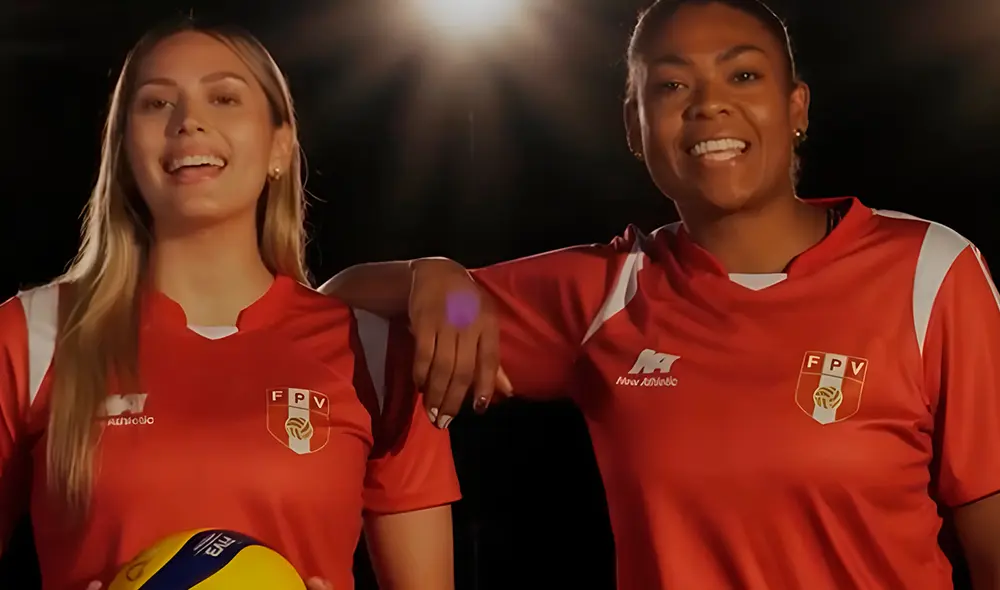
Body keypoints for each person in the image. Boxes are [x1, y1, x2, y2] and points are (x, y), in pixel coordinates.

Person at [321, 0, 1000, 588]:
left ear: (796, 107)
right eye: (672, 86)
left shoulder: (929, 271)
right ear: (633, 126)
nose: (709, 104)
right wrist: (436, 278)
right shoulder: (608, 292)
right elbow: (338, 299)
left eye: (742, 75)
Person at [0, 19, 460, 590]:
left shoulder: (376, 351)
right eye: (155, 102)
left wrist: (449, 280)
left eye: (223, 97)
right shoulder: (31, 336)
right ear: (122, 150)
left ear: (279, 146)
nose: (188, 120)